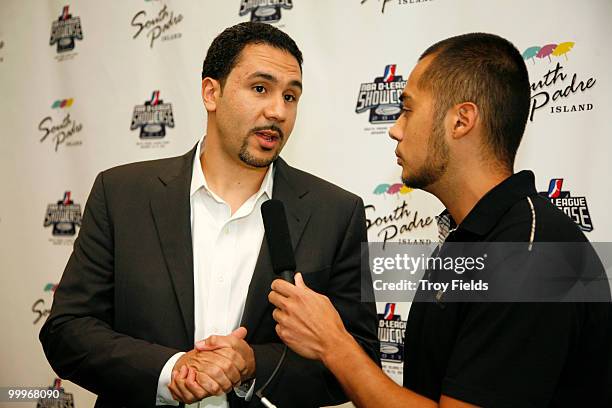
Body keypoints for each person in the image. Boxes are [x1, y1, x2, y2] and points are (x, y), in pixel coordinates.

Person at [40, 22, 379, 408]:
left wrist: (254, 364)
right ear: (210, 92)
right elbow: (67, 330)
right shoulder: (120, 194)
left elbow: (361, 356)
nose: (278, 111)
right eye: (260, 89)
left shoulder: (337, 212)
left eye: (290, 96)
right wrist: (170, 370)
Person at [269, 33, 612, 407]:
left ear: (461, 121)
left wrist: (333, 343)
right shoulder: (474, 239)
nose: (395, 128)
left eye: (408, 109)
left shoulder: (533, 255)